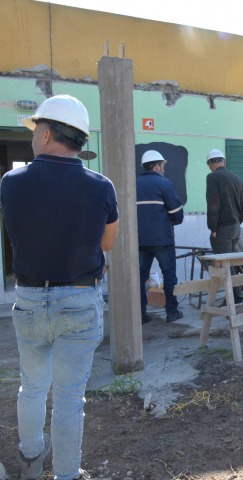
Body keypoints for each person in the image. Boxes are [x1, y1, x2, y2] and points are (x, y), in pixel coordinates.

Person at [0, 94, 119, 480]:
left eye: (35, 131)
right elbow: (107, 244)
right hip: (80, 301)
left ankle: (30, 461)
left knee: (32, 387)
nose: (33, 138)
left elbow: (18, 233)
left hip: (30, 299)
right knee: (69, 397)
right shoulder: (101, 186)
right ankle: (68, 475)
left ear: (48, 133)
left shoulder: (11, 182)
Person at [136, 150, 184, 323]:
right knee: (169, 275)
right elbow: (177, 214)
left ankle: (140, 314)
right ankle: (172, 312)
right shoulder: (164, 183)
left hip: (140, 240)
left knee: (140, 278)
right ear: (156, 165)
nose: (163, 169)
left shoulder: (134, 184)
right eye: (162, 166)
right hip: (163, 240)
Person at [205, 148, 243, 304]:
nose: (209, 168)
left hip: (222, 229)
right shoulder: (237, 179)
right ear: (223, 161)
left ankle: (233, 299)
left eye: (209, 165)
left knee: (224, 266)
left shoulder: (212, 177)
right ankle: (236, 296)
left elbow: (213, 205)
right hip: (236, 228)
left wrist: (213, 229)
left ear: (210, 163)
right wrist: (236, 223)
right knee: (231, 263)